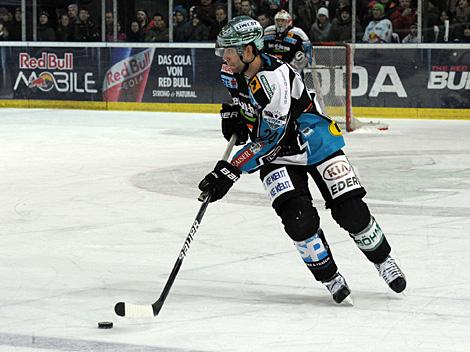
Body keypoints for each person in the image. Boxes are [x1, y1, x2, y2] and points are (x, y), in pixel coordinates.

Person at [198, 16, 407, 304]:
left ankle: (383, 260)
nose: (225, 57)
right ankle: (330, 277)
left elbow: (269, 139)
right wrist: (234, 115)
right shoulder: (230, 69)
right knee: (299, 221)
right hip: (277, 158)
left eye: (230, 51)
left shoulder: (275, 81)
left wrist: (230, 170)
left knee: (352, 212)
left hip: (314, 141)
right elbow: (240, 99)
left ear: (248, 52)